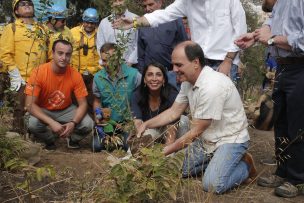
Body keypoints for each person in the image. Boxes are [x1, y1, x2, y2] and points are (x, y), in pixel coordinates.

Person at [136, 41, 256, 194]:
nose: (174, 70)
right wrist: (146, 124)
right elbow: (174, 112)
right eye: (173, 65)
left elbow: (195, 132)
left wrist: (165, 151)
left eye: (179, 65)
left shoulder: (212, 86)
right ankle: (218, 163)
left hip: (229, 140)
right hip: (207, 140)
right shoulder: (188, 82)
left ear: (195, 63)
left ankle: (245, 166)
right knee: (173, 169)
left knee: (212, 185)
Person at [235, 0, 304, 198]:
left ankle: (298, 179)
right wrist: (257, 36)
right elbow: (272, 20)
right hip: (283, 67)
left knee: (297, 126)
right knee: (280, 122)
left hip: (300, 66)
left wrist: (272, 39)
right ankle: (282, 172)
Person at [113, 0, 247, 81]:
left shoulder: (230, 1)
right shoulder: (186, 2)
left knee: (223, 106)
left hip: (224, 61)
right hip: (199, 62)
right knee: (200, 105)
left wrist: (228, 61)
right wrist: (135, 22)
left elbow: (240, 32)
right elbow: (163, 15)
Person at [25, 39, 93, 150]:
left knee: (88, 124)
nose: (64, 57)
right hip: (43, 108)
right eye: (60, 53)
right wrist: (51, 123)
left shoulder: (75, 74)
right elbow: (29, 104)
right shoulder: (39, 72)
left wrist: (73, 123)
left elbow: (83, 104)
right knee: (31, 123)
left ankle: (72, 139)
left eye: (67, 54)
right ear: (53, 53)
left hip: (66, 109)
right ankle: (50, 139)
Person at [0, 0, 48, 134]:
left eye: (29, 3)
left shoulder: (42, 29)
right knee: (20, 110)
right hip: (21, 78)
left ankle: (38, 138)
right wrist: (14, 74)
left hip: (40, 78)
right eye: (22, 4)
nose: (27, 5)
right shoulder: (11, 28)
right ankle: (19, 141)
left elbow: (49, 53)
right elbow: (5, 54)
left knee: (39, 110)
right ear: (16, 11)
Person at [92, 43, 141, 149]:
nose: (106, 64)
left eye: (110, 60)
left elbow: (142, 101)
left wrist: (136, 122)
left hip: (127, 123)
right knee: (96, 146)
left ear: (118, 58)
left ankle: (121, 140)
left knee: (128, 146)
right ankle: (112, 140)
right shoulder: (98, 77)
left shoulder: (134, 75)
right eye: (104, 60)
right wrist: (97, 115)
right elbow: (97, 100)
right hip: (108, 122)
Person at [131, 62, 180, 144]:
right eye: (150, 74)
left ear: (164, 79)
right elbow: (138, 122)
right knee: (144, 137)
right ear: (144, 79)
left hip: (171, 128)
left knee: (184, 122)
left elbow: (172, 126)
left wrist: (167, 153)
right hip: (150, 128)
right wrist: (139, 139)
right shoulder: (137, 95)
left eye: (158, 75)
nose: (154, 78)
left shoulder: (172, 94)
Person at [137, 0, 188, 73]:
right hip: (149, 73)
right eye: (144, 6)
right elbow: (141, 53)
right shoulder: (141, 24)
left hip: (171, 72)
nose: (147, 9)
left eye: (150, 4)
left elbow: (184, 46)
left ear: (160, 3)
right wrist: (142, 72)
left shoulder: (175, 20)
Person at [71, 8, 100, 116]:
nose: (89, 25)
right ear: (83, 21)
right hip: (77, 73)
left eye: (92, 23)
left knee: (94, 99)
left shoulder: (100, 33)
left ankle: (95, 123)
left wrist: (99, 72)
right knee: (77, 99)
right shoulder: (73, 32)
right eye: (87, 22)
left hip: (94, 73)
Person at [96, 0, 138, 66]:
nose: (118, 4)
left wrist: (130, 62)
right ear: (111, 3)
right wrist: (106, 62)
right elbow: (100, 45)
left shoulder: (136, 19)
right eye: (115, 1)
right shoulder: (104, 23)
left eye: (121, 0)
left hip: (131, 66)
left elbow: (138, 44)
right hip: (109, 66)